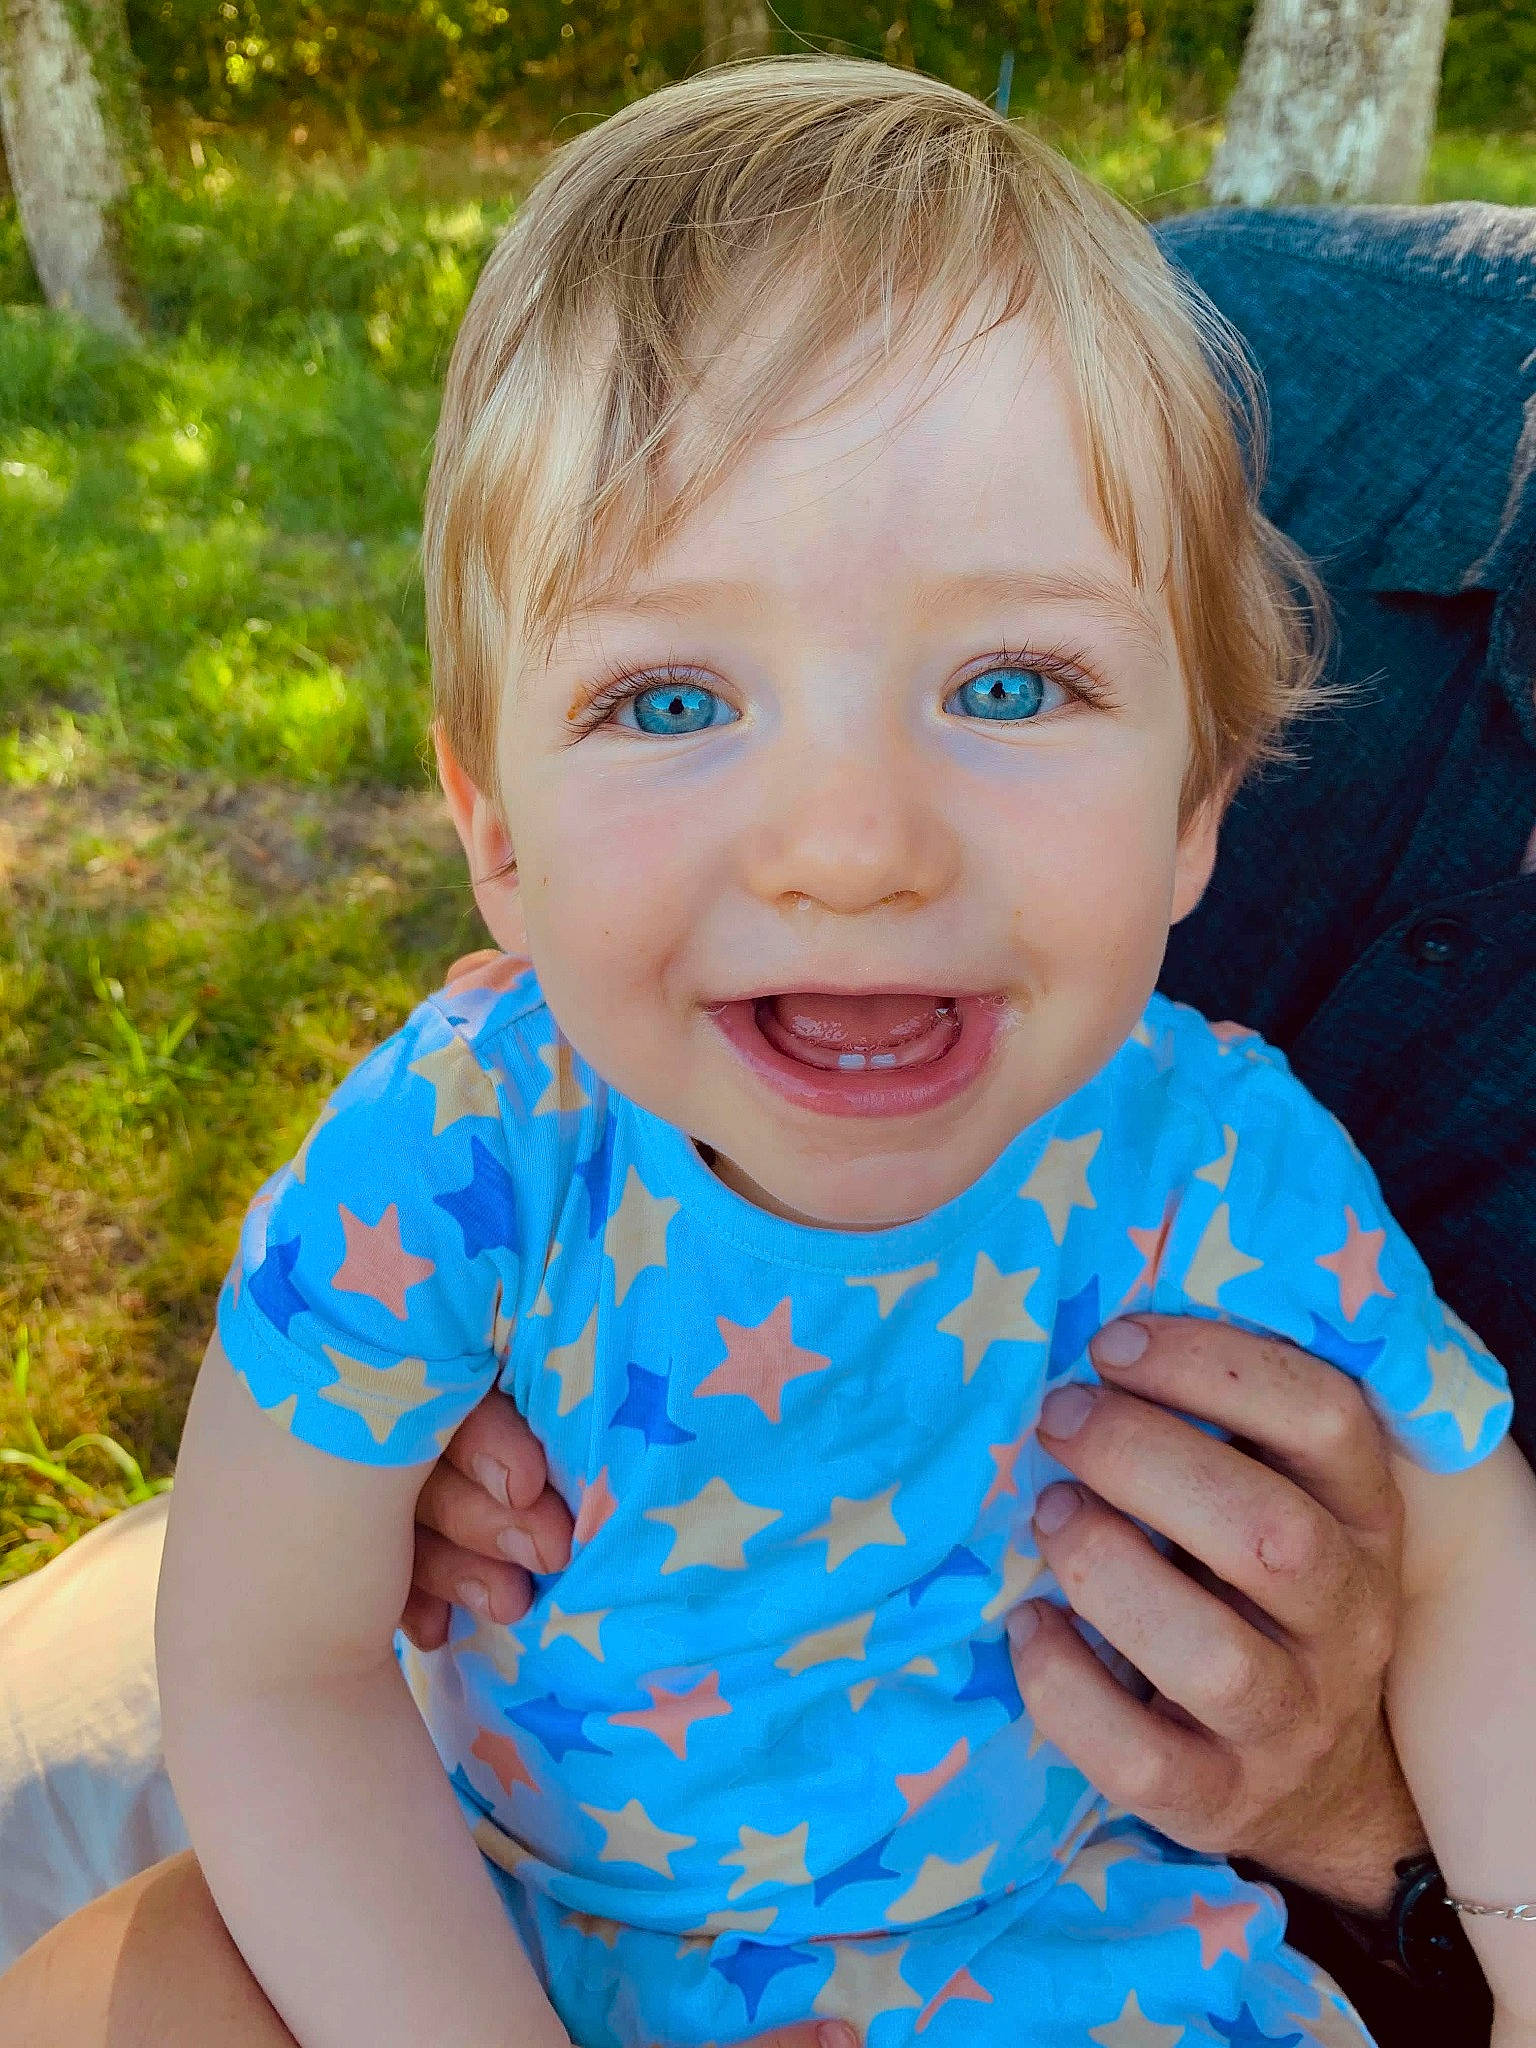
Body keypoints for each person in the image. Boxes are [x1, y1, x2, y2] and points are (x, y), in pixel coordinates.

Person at [2, 71, 1533, 2048]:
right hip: (490, 1924)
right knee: (98, 1995)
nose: (853, 846)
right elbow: (273, 1664)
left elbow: (1477, 1551)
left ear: (1193, 803)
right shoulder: (468, 1142)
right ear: (497, 830)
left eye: (1010, 683)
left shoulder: (1213, 1152)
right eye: (668, 696)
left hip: (1045, 1952)